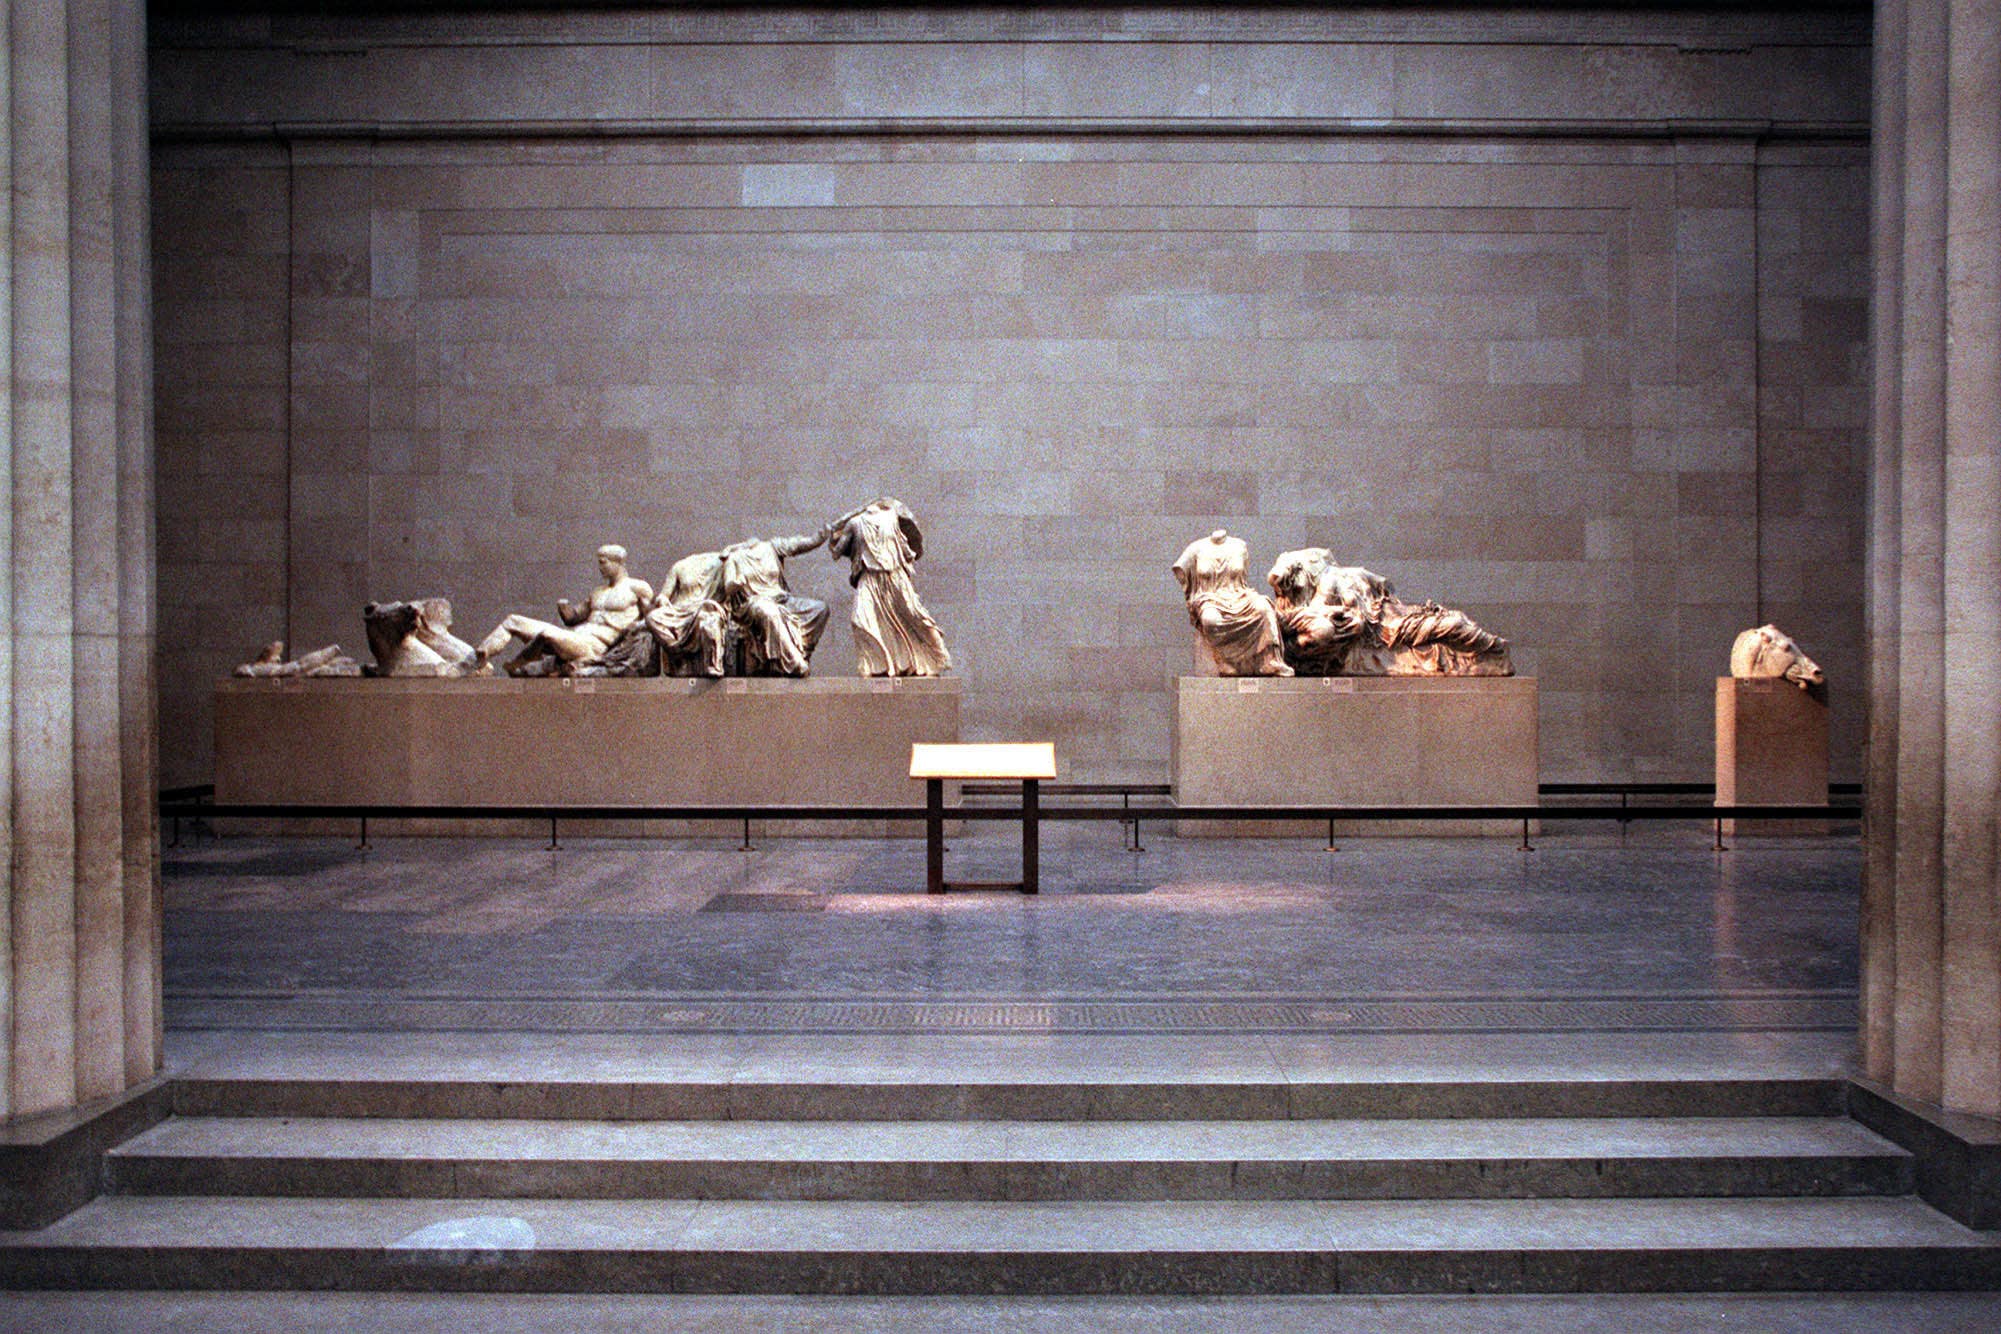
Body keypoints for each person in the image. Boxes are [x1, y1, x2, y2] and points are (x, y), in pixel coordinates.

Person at [475, 544, 653, 676]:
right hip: (576, 637)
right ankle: (477, 659)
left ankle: (519, 663)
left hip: (597, 646)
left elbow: (651, 619)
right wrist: (563, 607)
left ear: (617, 562)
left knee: (547, 635)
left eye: (603, 563)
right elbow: (573, 618)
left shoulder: (637, 587)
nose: (600, 567)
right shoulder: (598, 592)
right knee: (513, 621)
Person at [829, 497, 952, 678]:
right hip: (869, 577)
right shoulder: (855, 523)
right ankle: (872, 665)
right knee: (860, 618)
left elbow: (908, 546)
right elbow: (837, 552)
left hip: (894, 575)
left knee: (913, 612)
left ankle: (940, 654)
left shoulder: (892, 516)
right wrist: (836, 529)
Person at [1170, 528, 1291, 677]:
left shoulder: (1240, 546)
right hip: (1209, 598)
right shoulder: (1196, 548)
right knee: (1211, 620)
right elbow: (1180, 571)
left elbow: (1243, 577)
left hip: (1239, 595)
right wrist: (1192, 597)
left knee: (1264, 608)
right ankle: (1224, 661)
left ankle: (1269, 660)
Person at [720, 530, 831, 676]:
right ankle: (794, 662)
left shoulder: (771, 547)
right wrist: (736, 583)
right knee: (769, 612)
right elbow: (728, 587)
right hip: (753, 603)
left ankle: (801, 650)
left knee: (820, 609)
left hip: (781, 600)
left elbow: (798, 545)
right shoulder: (734, 557)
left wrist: (819, 538)